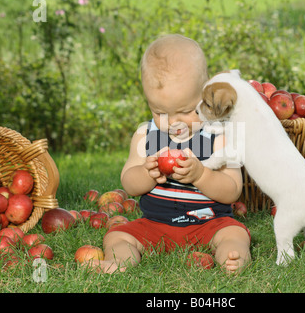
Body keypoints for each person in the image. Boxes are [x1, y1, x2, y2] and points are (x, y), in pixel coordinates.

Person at [92, 34, 251, 274]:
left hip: (209, 224)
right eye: (159, 112)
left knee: (234, 233)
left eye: (187, 110)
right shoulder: (145, 135)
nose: (174, 122)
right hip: (155, 225)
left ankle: (232, 259)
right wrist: (147, 173)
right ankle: (120, 261)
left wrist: (201, 176)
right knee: (117, 236)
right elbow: (129, 183)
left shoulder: (220, 134)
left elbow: (232, 190)